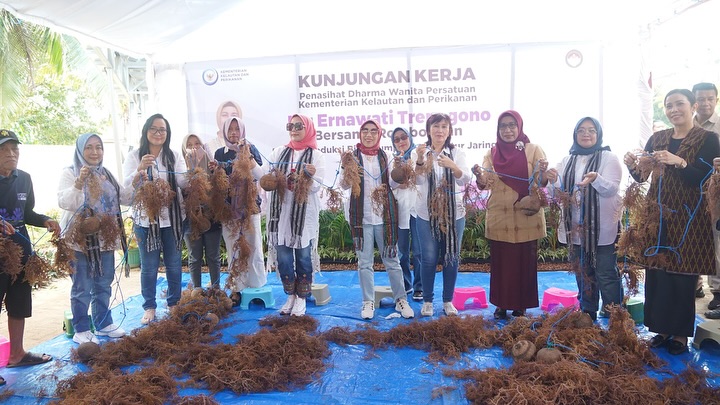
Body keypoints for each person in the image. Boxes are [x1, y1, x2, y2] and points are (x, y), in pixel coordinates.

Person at [623, 88, 720, 355]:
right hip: (657, 216)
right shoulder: (658, 138)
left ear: (693, 106)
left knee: (683, 273)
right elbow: (642, 177)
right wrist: (632, 165)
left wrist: (680, 162)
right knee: (657, 272)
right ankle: (660, 329)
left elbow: (705, 179)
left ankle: (678, 334)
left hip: (690, 215)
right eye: (669, 105)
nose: (674, 109)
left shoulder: (708, 139)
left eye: (680, 104)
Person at [58, 133, 137, 343]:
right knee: (82, 286)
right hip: (80, 242)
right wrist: (78, 182)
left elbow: (124, 198)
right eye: (89, 147)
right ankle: (82, 329)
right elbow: (65, 202)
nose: (95, 152)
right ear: (80, 150)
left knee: (103, 283)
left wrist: (136, 180)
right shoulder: (70, 172)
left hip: (105, 240)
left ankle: (103, 323)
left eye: (99, 147)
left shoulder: (107, 174)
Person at [545, 117, 623, 321]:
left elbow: (612, 189)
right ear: (575, 135)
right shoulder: (567, 160)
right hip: (576, 230)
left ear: (598, 135)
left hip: (602, 229)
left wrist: (596, 178)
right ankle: (588, 312)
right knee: (583, 272)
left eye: (591, 130)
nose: (586, 134)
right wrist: (551, 180)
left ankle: (615, 316)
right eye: (581, 130)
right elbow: (556, 193)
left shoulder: (609, 157)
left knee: (606, 274)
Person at [473, 110, 549, 320]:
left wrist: (544, 173)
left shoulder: (533, 150)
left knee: (525, 262)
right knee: (502, 264)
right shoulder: (492, 153)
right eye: (503, 126)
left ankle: (521, 305)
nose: (507, 130)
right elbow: (486, 182)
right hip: (501, 216)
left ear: (519, 127)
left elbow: (542, 182)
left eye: (511, 125)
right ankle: (501, 304)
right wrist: (480, 176)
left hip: (527, 215)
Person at [0, 129, 59, 376]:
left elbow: (27, 214)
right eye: (4, 150)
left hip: (21, 253)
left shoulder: (24, 178)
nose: (11, 154)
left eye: (15, 150)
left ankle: (17, 355)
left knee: (19, 303)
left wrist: (46, 220)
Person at [342, 119, 414, 320]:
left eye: (373, 131)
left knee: (392, 260)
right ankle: (367, 302)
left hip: (385, 216)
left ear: (379, 134)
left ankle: (401, 300)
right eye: (365, 130)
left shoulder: (387, 156)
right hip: (361, 216)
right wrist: (347, 171)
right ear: (360, 133)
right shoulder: (352, 157)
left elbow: (394, 183)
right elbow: (345, 186)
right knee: (364, 263)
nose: (369, 134)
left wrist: (402, 171)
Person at [122, 114, 187, 325]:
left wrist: (195, 168)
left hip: (172, 221)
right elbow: (126, 188)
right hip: (145, 221)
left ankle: (174, 303)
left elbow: (182, 181)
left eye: (163, 130)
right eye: (154, 129)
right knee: (149, 267)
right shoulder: (134, 155)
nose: (158, 133)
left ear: (167, 134)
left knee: (174, 264)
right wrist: (140, 169)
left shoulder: (174, 155)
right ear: (146, 131)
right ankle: (149, 306)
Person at [267, 115, 325, 316]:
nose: (294, 129)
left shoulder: (316, 155)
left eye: (299, 125)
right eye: (290, 125)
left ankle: (302, 298)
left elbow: (317, 187)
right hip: (281, 216)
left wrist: (311, 175)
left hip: (304, 217)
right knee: (283, 258)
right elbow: (267, 179)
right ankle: (290, 294)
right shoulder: (279, 152)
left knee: (303, 257)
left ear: (307, 128)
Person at [414, 113, 471, 317]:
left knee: (451, 257)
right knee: (428, 258)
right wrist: (420, 161)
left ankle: (448, 301)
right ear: (428, 130)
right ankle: (428, 300)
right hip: (426, 214)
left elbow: (466, 180)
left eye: (444, 126)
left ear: (449, 131)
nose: (440, 130)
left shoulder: (457, 153)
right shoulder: (419, 152)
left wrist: (453, 167)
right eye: (436, 126)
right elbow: (418, 183)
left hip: (454, 214)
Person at [210, 117, 266, 305]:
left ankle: (256, 286)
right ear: (225, 132)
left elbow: (261, 176)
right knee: (233, 247)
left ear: (242, 131)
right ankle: (237, 288)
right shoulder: (219, 153)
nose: (233, 132)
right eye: (230, 129)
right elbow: (216, 182)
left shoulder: (251, 149)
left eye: (237, 129)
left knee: (253, 246)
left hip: (250, 208)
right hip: (228, 210)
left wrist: (247, 157)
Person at [691, 82, 720, 317]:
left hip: (715, 194)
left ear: (716, 100)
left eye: (711, 98)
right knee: (692, 236)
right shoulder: (686, 126)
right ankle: (695, 285)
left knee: (715, 240)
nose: (706, 103)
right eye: (701, 99)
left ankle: (718, 291)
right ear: (694, 102)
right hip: (690, 193)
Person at [181, 134, 222, 289]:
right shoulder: (180, 169)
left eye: (197, 143)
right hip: (191, 219)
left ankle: (215, 288)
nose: (194, 147)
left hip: (211, 217)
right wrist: (190, 168)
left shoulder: (212, 166)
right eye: (189, 144)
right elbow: (182, 189)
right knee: (194, 256)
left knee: (213, 256)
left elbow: (219, 190)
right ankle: (197, 289)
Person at [390, 127, 423, 300]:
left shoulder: (418, 155)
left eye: (404, 137)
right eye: (397, 139)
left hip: (417, 209)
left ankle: (419, 286)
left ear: (410, 137)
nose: (401, 141)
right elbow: (390, 183)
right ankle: (406, 284)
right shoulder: (392, 159)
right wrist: (398, 182)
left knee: (419, 251)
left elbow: (423, 179)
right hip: (400, 210)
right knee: (402, 252)